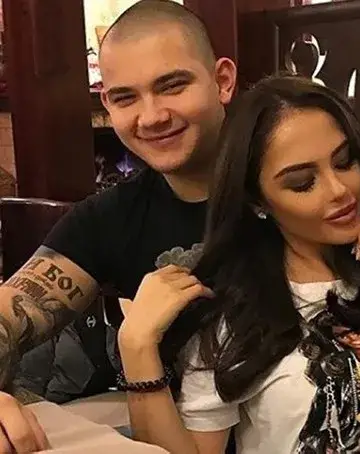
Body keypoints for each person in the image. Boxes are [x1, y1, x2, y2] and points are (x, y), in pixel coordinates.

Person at [116, 75, 360, 454]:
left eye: (344, 162)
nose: (340, 190)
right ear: (257, 202)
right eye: (302, 183)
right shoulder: (233, 308)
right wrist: (137, 347)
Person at [0, 0, 235, 451]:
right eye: (127, 97)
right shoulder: (110, 216)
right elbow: (10, 314)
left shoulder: (305, 182)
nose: (152, 116)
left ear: (222, 80)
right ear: (107, 103)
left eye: (172, 86)